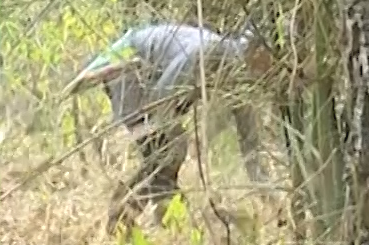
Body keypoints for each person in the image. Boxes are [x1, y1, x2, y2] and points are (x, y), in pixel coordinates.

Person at [62, 22, 274, 221]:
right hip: (128, 67)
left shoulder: (240, 80)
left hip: (150, 84)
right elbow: (161, 100)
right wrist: (175, 137)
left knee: (165, 160)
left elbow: (250, 148)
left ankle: (155, 220)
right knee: (168, 154)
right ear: (255, 52)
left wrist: (271, 197)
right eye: (267, 59)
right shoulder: (205, 54)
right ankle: (129, 215)